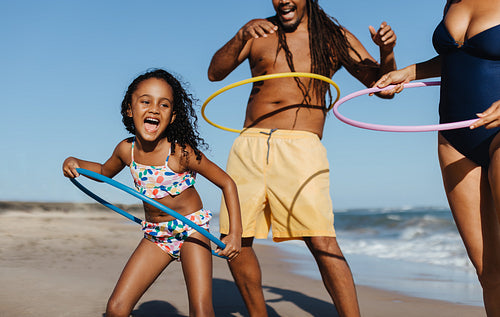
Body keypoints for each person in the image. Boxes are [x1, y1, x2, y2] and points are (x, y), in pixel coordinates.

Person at [207, 0, 397, 316]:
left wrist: (387, 53)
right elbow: (215, 73)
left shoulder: (335, 37)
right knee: (235, 239)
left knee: (322, 240)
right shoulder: (258, 31)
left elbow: (383, 88)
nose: (283, 0)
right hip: (249, 144)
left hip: (301, 146)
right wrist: (241, 35)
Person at [62, 69, 242, 317]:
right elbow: (104, 171)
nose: (154, 109)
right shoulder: (127, 150)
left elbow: (227, 183)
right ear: (129, 108)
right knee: (116, 308)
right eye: (145, 101)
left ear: (172, 115)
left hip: (191, 230)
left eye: (164, 104)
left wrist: (235, 234)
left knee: (201, 311)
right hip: (156, 234)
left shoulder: (181, 152)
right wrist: (76, 163)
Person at [374, 0, 500, 315]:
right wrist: (407, 73)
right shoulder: (451, 2)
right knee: (488, 272)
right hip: (454, 138)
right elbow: (456, 59)